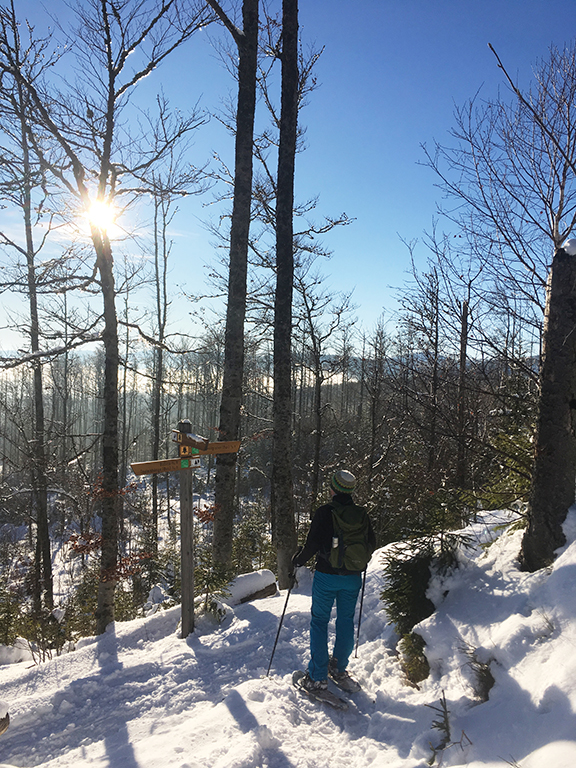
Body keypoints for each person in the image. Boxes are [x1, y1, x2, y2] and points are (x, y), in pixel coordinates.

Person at [291, 469, 376, 693]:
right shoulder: (361, 514)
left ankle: (318, 677)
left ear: (333, 489)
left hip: (327, 576)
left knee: (319, 622)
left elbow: (312, 545)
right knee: (346, 620)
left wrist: (297, 561)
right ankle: (339, 668)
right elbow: (371, 543)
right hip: (353, 577)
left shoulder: (324, 512)